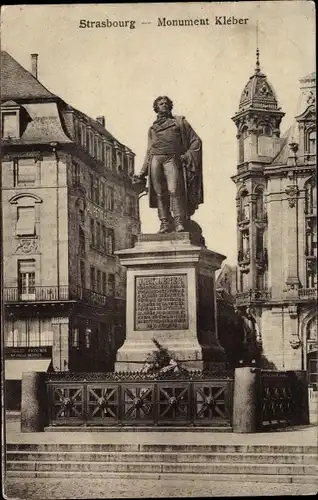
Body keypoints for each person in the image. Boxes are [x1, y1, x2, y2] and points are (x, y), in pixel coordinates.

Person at [135, 96, 203, 233]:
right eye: (161, 104)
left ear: (170, 106)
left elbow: (196, 141)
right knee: (160, 193)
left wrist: (187, 155)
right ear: (156, 108)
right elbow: (149, 150)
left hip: (172, 158)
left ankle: (179, 222)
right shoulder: (152, 129)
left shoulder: (179, 122)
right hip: (155, 159)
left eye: (166, 103)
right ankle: (165, 222)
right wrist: (142, 171)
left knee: (174, 190)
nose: (164, 105)